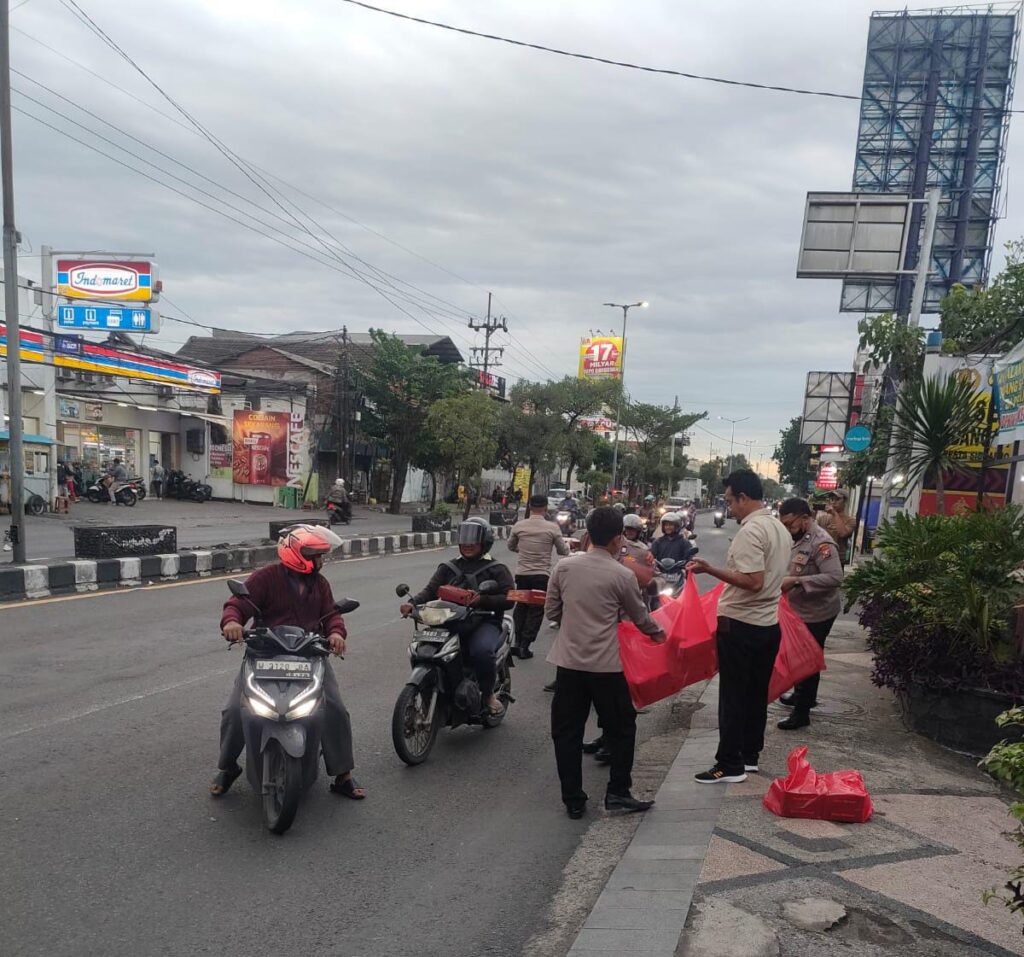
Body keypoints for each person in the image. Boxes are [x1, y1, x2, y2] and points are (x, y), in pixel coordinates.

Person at [210, 524, 366, 800]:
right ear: (297, 555)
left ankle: (343, 774)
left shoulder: (320, 584)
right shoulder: (266, 578)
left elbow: (332, 614)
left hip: (309, 654)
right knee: (234, 710)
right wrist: (232, 622)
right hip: (265, 653)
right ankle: (227, 767)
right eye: (315, 556)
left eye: (321, 556)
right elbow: (237, 604)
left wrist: (336, 633)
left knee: (334, 709)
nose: (321, 561)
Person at [546, 506, 667, 819]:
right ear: (617, 539)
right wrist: (658, 634)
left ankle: (573, 799)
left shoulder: (564, 567)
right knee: (622, 727)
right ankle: (618, 793)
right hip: (606, 667)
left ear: (588, 534)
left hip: (569, 664)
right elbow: (640, 617)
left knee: (566, 732)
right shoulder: (622, 575)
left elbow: (552, 612)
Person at [687, 469, 790, 784]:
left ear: (744, 498)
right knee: (756, 695)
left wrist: (710, 570)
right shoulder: (779, 528)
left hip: (741, 625)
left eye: (730, 501)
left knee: (732, 696)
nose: (729, 507)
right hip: (767, 624)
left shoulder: (751, 531)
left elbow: (753, 581)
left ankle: (729, 764)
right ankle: (749, 756)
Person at [400, 517, 514, 716]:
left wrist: (482, 600)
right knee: (423, 650)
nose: (468, 545)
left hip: (484, 621)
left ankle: (488, 695)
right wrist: (412, 604)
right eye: (464, 541)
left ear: (485, 543)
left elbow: (509, 599)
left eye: (473, 541)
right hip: (450, 621)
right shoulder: (448, 567)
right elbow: (430, 590)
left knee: (481, 651)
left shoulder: (497, 569)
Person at [776, 498, 844, 730]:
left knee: (807, 661)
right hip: (800, 610)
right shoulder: (798, 537)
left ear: (805, 518)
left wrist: (796, 581)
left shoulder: (821, 543)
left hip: (818, 613)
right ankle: (802, 696)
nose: (788, 529)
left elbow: (835, 577)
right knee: (802, 658)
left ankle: (801, 713)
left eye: (790, 523)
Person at [507, 494, 570, 659]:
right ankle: (525, 646)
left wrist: (522, 550)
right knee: (535, 610)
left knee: (521, 606)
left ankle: (517, 642)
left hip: (522, 575)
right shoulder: (552, 528)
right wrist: (568, 547)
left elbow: (511, 546)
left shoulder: (519, 526)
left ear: (530, 506)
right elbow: (563, 551)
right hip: (541, 576)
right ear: (546, 508)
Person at [817, 489, 854, 565]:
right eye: (832, 499)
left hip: (838, 559)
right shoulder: (822, 518)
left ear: (845, 501)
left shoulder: (850, 520)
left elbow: (843, 533)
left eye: (837, 499)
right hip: (821, 557)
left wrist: (835, 514)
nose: (834, 502)